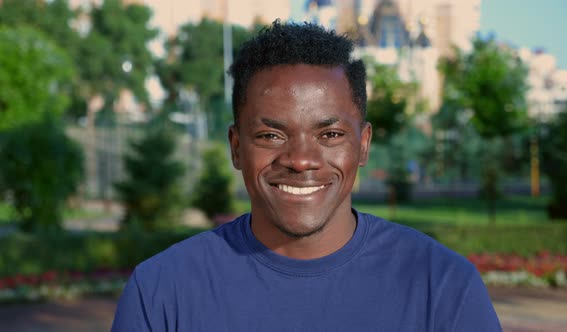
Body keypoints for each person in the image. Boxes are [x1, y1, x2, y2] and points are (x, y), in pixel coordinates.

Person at [111, 21, 501, 331]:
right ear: (236, 146)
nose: (300, 160)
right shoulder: (162, 291)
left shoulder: (444, 286)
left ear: (363, 145)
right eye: (270, 135)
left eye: (329, 134)